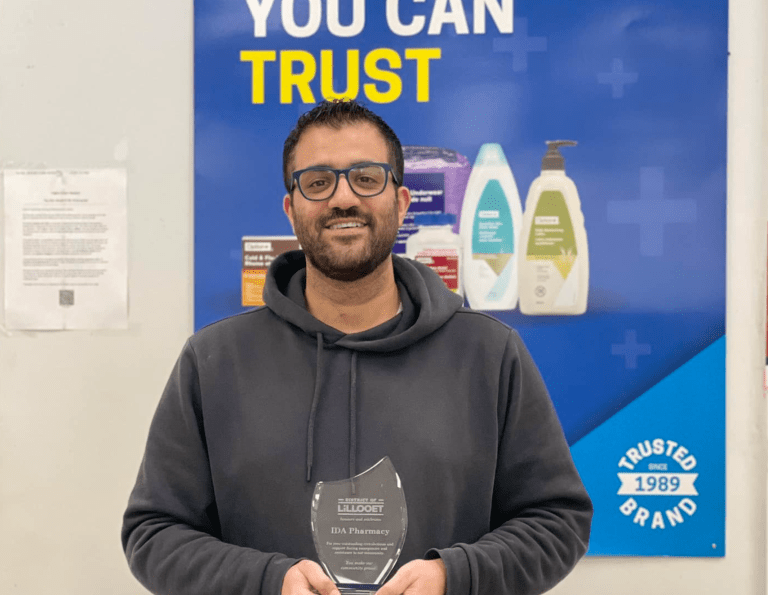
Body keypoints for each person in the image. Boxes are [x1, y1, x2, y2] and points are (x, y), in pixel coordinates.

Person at [122, 99, 592, 595]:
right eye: (318, 182)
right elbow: (153, 534)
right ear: (292, 208)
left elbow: (556, 520)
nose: (343, 198)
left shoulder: (489, 354)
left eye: (366, 178)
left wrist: (454, 577)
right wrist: (264, 582)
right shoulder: (215, 360)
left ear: (402, 202)